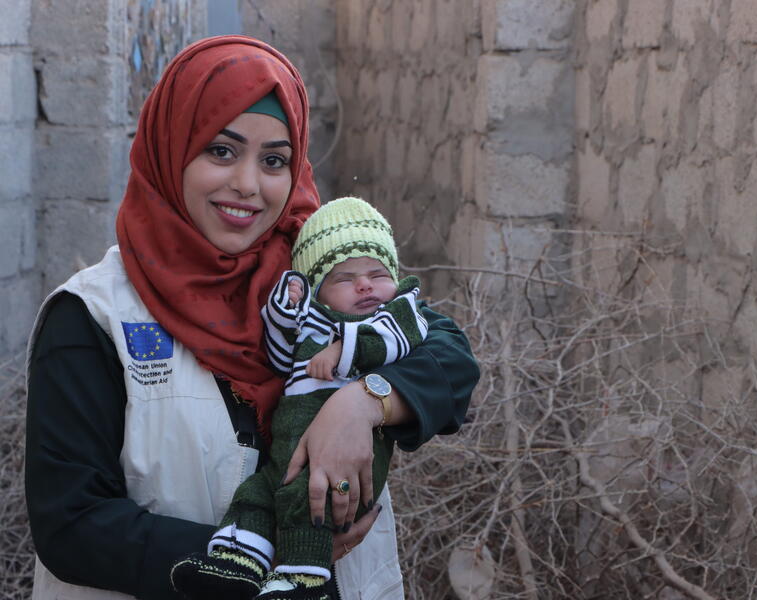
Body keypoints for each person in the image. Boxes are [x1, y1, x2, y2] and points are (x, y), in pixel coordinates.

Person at [24, 35, 479, 600]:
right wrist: (264, 562)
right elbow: (70, 524)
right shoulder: (94, 318)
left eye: (273, 160)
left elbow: (450, 356)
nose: (247, 184)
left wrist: (364, 402)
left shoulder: (316, 281)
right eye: (220, 150)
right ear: (171, 149)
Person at [172, 196, 431, 600]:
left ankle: (303, 581)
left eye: (377, 273)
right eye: (345, 278)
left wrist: (342, 349)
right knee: (258, 493)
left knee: (307, 501)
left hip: (348, 458)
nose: (364, 285)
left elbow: (392, 341)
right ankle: (236, 563)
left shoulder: (396, 311)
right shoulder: (315, 320)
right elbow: (277, 357)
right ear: (321, 291)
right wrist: (287, 305)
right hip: (289, 446)